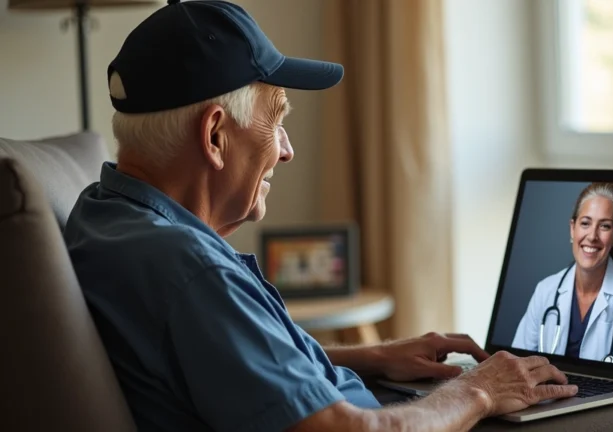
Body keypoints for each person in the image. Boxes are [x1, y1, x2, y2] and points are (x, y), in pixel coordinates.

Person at [62, 1, 578, 431]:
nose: (286, 150)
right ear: (215, 136)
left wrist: (371, 356)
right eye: (276, 117)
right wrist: (480, 390)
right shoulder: (193, 270)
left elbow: (214, 362)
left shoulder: (103, 213)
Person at [511, 183, 613, 369]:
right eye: (585, 223)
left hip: (609, 398)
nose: (592, 236)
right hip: (547, 396)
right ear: (572, 229)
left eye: (604, 226)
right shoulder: (546, 289)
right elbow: (517, 365)